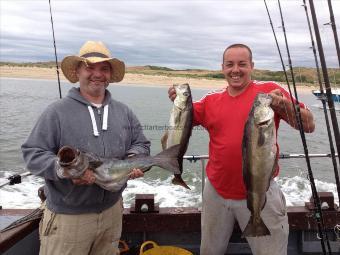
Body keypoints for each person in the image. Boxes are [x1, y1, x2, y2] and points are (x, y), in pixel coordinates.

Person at [168, 43, 315, 255]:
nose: (235, 69)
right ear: (222, 68)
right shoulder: (210, 100)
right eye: (230, 64)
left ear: (252, 66)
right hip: (216, 193)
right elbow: (182, 122)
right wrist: (177, 100)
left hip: (261, 191)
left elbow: (309, 125)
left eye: (242, 64)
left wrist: (282, 104)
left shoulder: (269, 91)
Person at [22, 41, 150, 255]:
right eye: (89, 67)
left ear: (110, 75)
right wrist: (64, 171)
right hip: (68, 220)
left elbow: (141, 143)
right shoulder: (56, 112)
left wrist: (133, 160)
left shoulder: (124, 112)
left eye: (104, 68)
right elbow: (33, 153)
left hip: (112, 213)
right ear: (78, 71)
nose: (97, 74)